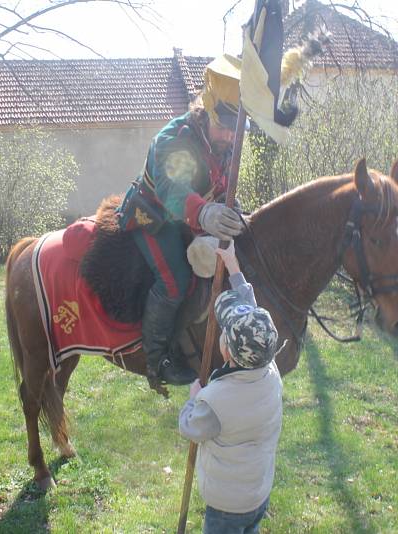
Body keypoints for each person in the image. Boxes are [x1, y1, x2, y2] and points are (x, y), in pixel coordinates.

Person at [117, 55, 245, 386]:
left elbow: (221, 184)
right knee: (175, 281)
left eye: (236, 130)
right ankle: (156, 360)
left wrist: (232, 209)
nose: (231, 137)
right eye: (225, 127)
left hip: (191, 219)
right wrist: (205, 212)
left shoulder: (225, 143)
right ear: (207, 112)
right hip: (155, 216)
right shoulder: (175, 138)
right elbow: (171, 189)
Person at [178, 242, 283, 534]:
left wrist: (193, 399)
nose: (223, 333)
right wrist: (233, 267)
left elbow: (191, 428)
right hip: (258, 492)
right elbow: (253, 315)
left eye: (226, 332)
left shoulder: (215, 401)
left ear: (228, 352)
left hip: (227, 506)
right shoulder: (269, 371)